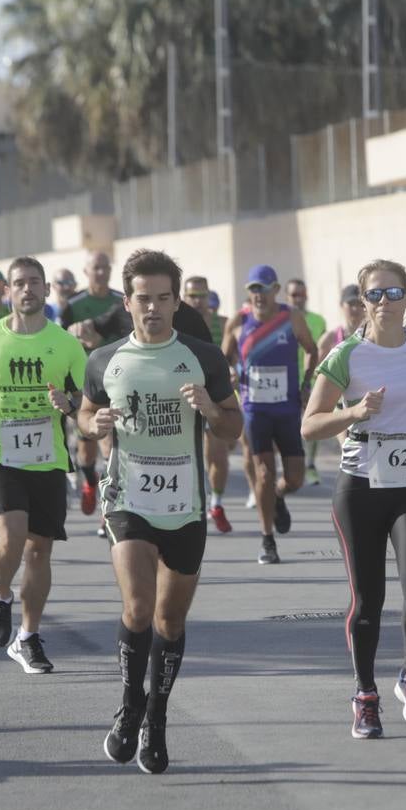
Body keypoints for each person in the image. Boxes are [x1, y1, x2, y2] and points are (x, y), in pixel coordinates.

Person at [80, 249, 242, 774]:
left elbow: (232, 429)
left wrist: (211, 410)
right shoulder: (104, 359)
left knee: (170, 619)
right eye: (143, 299)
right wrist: (94, 423)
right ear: (127, 302)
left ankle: (156, 717)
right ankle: (129, 710)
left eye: (162, 298)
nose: (152, 308)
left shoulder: (203, 357)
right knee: (138, 607)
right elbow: (85, 413)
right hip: (129, 499)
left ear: (176, 302)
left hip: (185, 505)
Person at [303, 260, 406, 738]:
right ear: (362, 303)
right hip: (361, 483)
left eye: (394, 294)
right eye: (374, 295)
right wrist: (354, 412)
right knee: (368, 598)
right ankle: (364, 694)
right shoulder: (347, 356)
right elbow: (311, 423)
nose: (384, 303)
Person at [0, 256, 88, 675]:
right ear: (8, 292)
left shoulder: (66, 344)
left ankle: (28, 638)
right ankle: (0, 596)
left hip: (48, 459)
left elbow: (87, 398)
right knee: (11, 538)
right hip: (0, 454)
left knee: (39, 550)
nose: (27, 289)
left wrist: (70, 406)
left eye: (35, 282)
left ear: (47, 290)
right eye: (19, 283)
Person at [222, 265, 318, 565]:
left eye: (263, 289)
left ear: (275, 289)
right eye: (253, 289)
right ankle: (267, 539)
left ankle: (279, 496)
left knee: (295, 478)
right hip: (255, 410)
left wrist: (305, 385)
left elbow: (312, 351)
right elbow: (223, 359)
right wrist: (231, 375)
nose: (258, 295)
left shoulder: (291, 317)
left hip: (287, 408)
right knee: (263, 472)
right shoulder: (239, 321)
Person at [62, 251, 123, 518]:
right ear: (86, 272)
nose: (100, 272)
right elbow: (59, 341)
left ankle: (108, 505)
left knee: (110, 445)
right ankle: (88, 480)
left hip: (113, 381)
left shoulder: (122, 301)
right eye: (95, 268)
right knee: (86, 453)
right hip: (82, 385)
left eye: (104, 267)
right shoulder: (74, 304)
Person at [183, 276, 233, 533]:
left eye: (202, 295)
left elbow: (233, 354)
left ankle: (216, 503)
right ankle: (189, 502)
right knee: (186, 455)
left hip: (213, 396)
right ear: (184, 297)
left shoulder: (223, 324)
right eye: (192, 296)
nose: (198, 301)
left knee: (217, 455)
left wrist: (233, 370)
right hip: (182, 396)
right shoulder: (176, 324)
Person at [287, 278, 327, 486]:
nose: (298, 299)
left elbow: (323, 350)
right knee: (288, 426)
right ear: (287, 297)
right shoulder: (282, 319)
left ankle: (310, 465)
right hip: (286, 380)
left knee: (311, 421)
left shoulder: (318, 320)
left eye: (301, 294)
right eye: (294, 295)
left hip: (310, 379)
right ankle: (291, 467)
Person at [318, 284, 365, 360]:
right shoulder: (329, 340)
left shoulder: (374, 337)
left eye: (359, 304)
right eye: (351, 304)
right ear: (341, 305)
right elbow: (317, 370)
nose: (355, 308)